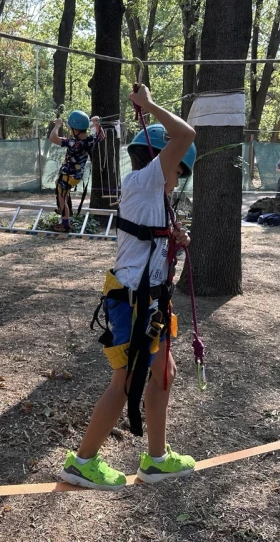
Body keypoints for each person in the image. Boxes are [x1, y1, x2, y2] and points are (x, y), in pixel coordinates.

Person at [59, 85, 197, 491]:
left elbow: (147, 242)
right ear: (162, 162)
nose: (178, 180)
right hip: (133, 301)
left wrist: (174, 240)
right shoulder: (145, 182)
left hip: (151, 300)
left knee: (163, 374)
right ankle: (81, 462)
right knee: (125, 383)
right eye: (178, 170)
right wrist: (149, 105)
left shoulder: (155, 195)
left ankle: (156, 459)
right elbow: (185, 136)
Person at [49, 110, 104, 233]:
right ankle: (65, 215)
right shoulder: (90, 140)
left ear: (76, 130)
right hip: (76, 176)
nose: (70, 131)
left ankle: (65, 223)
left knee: (61, 197)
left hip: (68, 176)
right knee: (64, 194)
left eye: (71, 128)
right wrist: (97, 124)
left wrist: (57, 125)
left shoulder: (72, 142)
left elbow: (52, 138)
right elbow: (101, 136)